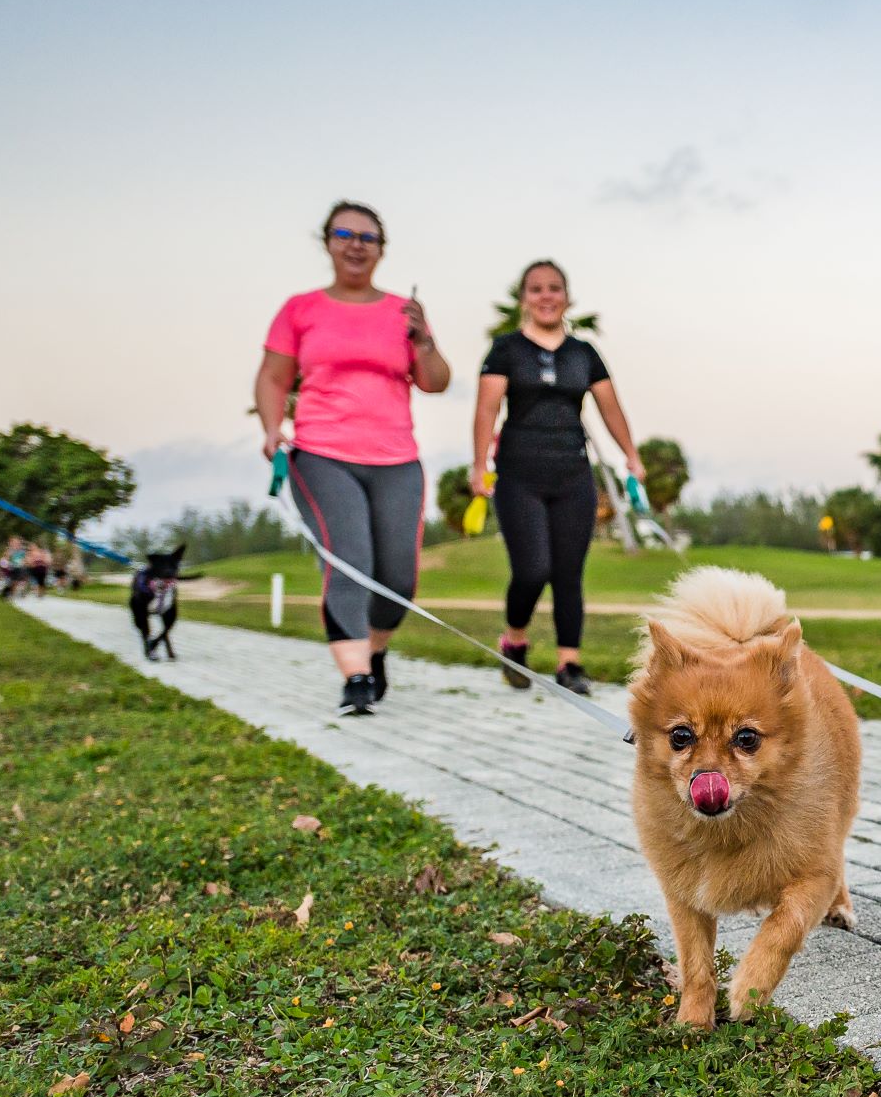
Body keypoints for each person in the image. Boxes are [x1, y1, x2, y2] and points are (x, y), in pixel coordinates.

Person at [254, 201, 452, 715]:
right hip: (322, 454)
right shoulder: (301, 309)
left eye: (368, 237)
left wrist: (424, 339)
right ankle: (356, 677)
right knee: (349, 561)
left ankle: (374, 650)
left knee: (399, 578)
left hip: (396, 459)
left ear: (381, 249)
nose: (356, 244)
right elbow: (274, 378)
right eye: (345, 233)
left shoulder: (400, 313)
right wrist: (273, 430)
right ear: (328, 242)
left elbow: (435, 383)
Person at [471, 260, 644, 696]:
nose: (545, 296)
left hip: (572, 475)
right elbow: (486, 410)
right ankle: (514, 641)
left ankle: (570, 663)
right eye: (535, 289)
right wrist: (479, 466)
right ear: (523, 298)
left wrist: (632, 456)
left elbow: (610, 408)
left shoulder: (583, 353)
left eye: (554, 288)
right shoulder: (506, 349)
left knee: (569, 573)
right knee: (532, 570)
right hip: (518, 475)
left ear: (566, 296)